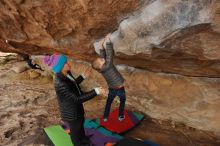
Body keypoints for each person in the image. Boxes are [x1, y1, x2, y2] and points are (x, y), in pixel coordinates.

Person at [44, 54, 104, 146]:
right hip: (71, 112)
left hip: (76, 108)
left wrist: (83, 76)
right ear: (60, 67)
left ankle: (84, 140)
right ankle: (78, 144)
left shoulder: (66, 73)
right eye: (65, 63)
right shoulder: (60, 83)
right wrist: (96, 91)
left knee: (80, 125)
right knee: (75, 131)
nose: (68, 63)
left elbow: (73, 83)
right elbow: (76, 99)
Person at [92, 34, 126, 122]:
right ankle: (121, 116)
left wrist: (101, 47)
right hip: (119, 87)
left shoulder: (102, 69)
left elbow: (104, 57)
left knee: (108, 102)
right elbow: (110, 55)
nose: (102, 59)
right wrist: (108, 41)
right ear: (102, 65)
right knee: (122, 101)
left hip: (112, 88)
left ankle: (106, 117)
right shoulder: (108, 66)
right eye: (101, 60)